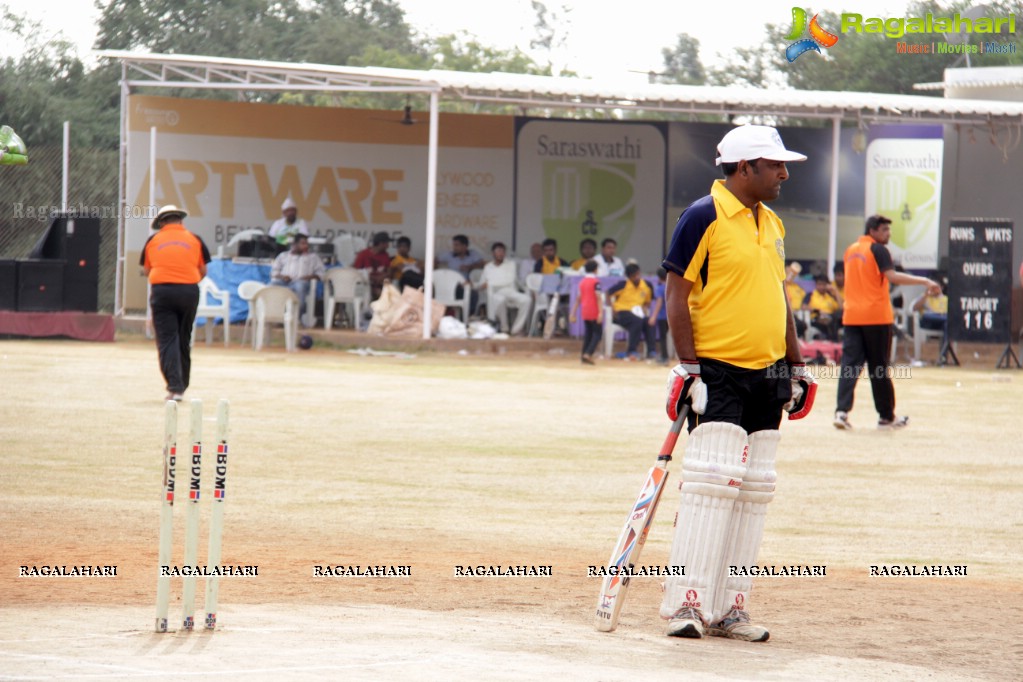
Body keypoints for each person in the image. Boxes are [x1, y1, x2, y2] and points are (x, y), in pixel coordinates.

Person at [660, 125, 815, 643]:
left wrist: (796, 364)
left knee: (752, 491)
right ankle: (686, 603)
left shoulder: (770, 221)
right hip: (717, 367)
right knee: (710, 484)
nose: (784, 173)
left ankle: (729, 608)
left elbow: (778, 298)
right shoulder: (703, 214)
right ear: (745, 167)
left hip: (768, 372)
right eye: (775, 165)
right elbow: (676, 292)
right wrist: (688, 366)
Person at [833, 215, 940, 431]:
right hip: (875, 317)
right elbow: (892, 277)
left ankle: (841, 412)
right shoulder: (878, 250)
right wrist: (925, 280)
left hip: (852, 316)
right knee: (878, 368)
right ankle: (886, 417)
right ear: (872, 230)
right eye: (884, 230)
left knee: (849, 366)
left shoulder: (850, 250)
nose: (888, 234)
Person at [140, 205, 211, 401]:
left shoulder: (153, 241)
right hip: (188, 291)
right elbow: (203, 271)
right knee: (183, 337)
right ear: (180, 221)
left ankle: (174, 386)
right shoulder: (194, 239)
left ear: (161, 223)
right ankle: (182, 385)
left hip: (162, 292)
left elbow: (147, 271)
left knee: (167, 339)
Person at [270, 233, 326, 324]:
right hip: (284, 282)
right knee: (271, 285)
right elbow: (274, 272)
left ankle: (296, 318)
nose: (306, 246)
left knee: (300, 286)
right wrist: (282, 276)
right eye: (303, 243)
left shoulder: (313, 257)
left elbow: (322, 273)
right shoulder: (283, 255)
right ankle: (274, 317)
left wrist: (310, 276)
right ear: (295, 245)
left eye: (306, 244)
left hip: (301, 282)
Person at [479, 242, 531, 335]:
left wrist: (490, 282)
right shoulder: (488, 267)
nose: (501, 253)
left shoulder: (511, 264)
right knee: (500, 300)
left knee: (526, 300)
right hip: (496, 293)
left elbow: (508, 280)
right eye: (498, 251)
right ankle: (504, 328)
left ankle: (516, 329)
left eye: (503, 251)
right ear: (493, 253)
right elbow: (481, 284)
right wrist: (482, 285)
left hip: (510, 291)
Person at [606, 263, 656, 360]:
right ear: (629, 277)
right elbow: (608, 293)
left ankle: (651, 351)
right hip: (622, 313)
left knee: (649, 322)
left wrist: (645, 307)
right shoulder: (623, 285)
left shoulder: (646, 285)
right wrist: (612, 309)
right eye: (634, 276)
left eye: (638, 274)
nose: (637, 277)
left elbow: (648, 302)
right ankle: (632, 351)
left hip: (638, 312)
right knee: (637, 321)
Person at [436, 234, 484, 314]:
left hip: (466, 284)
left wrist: (470, 267)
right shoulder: (449, 255)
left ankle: (468, 316)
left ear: (464, 246)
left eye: (457, 245)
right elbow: (435, 260)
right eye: (454, 245)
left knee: (473, 294)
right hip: (450, 284)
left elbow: (481, 264)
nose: (454, 247)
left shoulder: (473, 254)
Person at [569, 259, 603, 364]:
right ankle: (588, 353)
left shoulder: (582, 282)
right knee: (597, 334)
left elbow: (578, 298)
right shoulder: (596, 282)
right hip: (594, 310)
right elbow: (598, 298)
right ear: (595, 270)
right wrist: (601, 313)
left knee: (588, 334)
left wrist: (573, 312)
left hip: (585, 311)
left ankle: (583, 355)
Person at [353, 231, 393, 300]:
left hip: (381, 284)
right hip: (366, 284)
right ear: (381, 243)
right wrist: (373, 278)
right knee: (381, 294)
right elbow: (355, 272)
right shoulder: (364, 254)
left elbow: (389, 271)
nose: (388, 246)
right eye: (386, 243)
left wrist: (384, 276)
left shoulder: (385, 255)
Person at [807, 273, 842, 341]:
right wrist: (817, 311)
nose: (821, 287)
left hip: (831, 320)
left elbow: (841, 307)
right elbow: (804, 307)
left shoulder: (830, 296)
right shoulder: (811, 295)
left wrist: (835, 291)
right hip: (816, 319)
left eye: (824, 284)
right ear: (816, 285)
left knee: (837, 317)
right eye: (819, 284)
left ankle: (834, 343)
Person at [648, 268, 672, 364]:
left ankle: (664, 357)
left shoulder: (659, 288)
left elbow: (659, 303)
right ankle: (665, 356)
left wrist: (653, 316)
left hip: (662, 316)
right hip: (670, 316)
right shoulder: (670, 286)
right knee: (667, 336)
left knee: (662, 337)